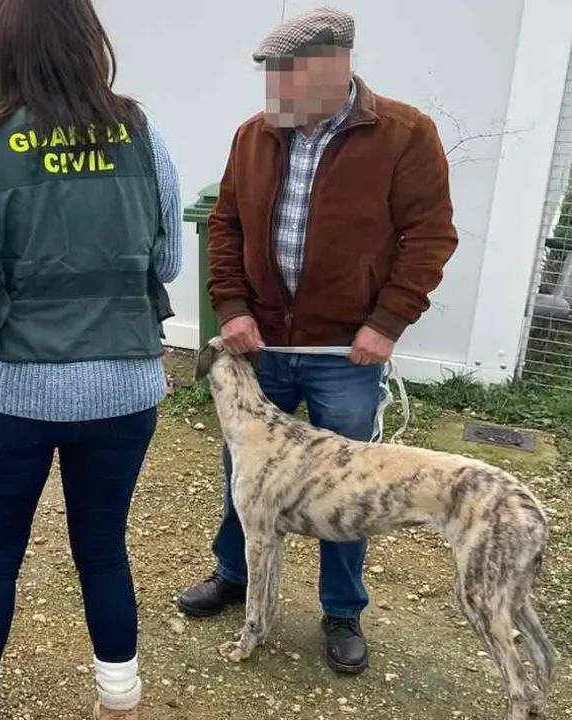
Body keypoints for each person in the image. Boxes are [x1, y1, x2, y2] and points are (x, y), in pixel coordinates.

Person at [176, 7, 458, 676]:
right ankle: (234, 575)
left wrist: (387, 322)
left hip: (344, 357)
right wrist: (232, 308)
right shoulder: (255, 134)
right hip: (262, 348)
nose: (274, 96)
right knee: (243, 473)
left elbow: (430, 235)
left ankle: (341, 610)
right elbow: (226, 229)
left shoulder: (405, 134)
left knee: (350, 489)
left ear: (333, 67)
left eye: (284, 78)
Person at [0, 0, 183, 716]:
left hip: (13, 389)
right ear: (89, 37)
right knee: (103, 549)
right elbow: (167, 259)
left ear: (8, 48)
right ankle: (120, 693)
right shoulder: (141, 134)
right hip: (124, 385)